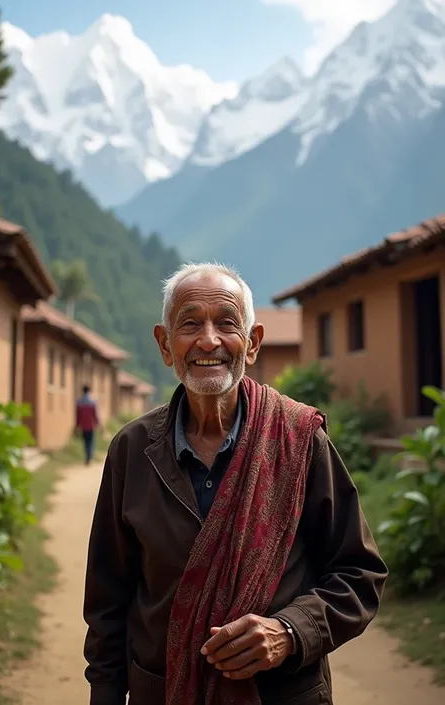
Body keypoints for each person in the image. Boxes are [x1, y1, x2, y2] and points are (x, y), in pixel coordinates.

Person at [83, 262, 388, 705]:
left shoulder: (299, 439)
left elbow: (360, 573)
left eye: (226, 323)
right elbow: (108, 598)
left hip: (281, 693)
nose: (209, 340)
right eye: (189, 324)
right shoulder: (131, 450)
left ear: (252, 344)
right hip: (162, 691)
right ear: (165, 344)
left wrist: (289, 631)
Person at [76, 384, 99, 465]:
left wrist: (77, 425)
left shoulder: (79, 401)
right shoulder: (93, 401)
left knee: (85, 442)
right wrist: (97, 423)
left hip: (83, 425)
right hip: (91, 425)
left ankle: (87, 456)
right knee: (91, 441)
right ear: (89, 391)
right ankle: (89, 456)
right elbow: (95, 414)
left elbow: (78, 415)